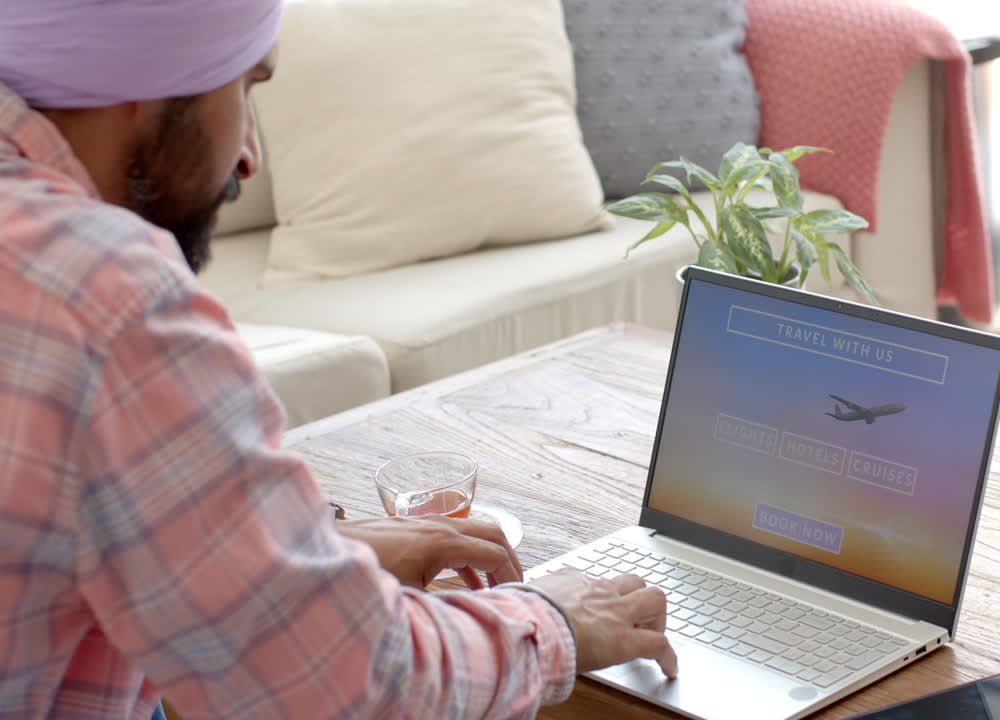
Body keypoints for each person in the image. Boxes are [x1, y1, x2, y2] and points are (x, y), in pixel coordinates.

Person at [0, 2, 677, 718]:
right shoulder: (110, 300)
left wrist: (298, 553)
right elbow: (343, 685)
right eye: (246, 88)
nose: (248, 156)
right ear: (140, 80)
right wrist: (554, 620)